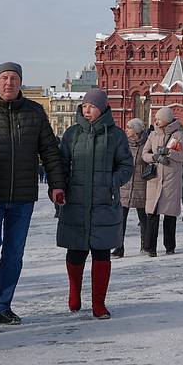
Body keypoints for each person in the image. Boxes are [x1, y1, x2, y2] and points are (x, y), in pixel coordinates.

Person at [0, 61, 66, 326]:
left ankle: (2, 306)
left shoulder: (35, 113)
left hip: (23, 195)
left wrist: (57, 184)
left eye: (13, 78)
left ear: (20, 82)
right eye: (4, 78)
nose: (9, 83)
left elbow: (49, 151)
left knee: (14, 253)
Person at [57, 87, 132, 319]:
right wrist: (61, 187)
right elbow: (61, 164)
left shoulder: (116, 135)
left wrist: (111, 181)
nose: (87, 110)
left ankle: (99, 303)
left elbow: (127, 166)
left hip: (103, 202)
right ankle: (74, 293)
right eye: (85, 106)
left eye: (92, 106)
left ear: (102, 108)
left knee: (102, 253)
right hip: (75, 201)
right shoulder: (72, 134)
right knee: (75, 252)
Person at [140, 107, 183, 256]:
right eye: (156, 118)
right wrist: (155, 157)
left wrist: (169, 153)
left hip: (171, 180)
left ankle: (170, 246)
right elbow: (144, 154)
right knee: (152, 214)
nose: (156, 120)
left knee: (169, 215)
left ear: (167, 119)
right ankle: (150, 248)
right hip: (155, 180)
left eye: (159, 118)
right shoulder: (152, 135)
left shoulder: (178, 135)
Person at [117, 118, 148, 257]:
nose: (126, 129)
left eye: (129, 127)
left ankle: (145, 245)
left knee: (143, 218)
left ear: (136, 130)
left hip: (143, 185)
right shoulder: (123, 144)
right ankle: (119, 247)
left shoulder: (147, 143)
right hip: (125, 185)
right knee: (120, 219)